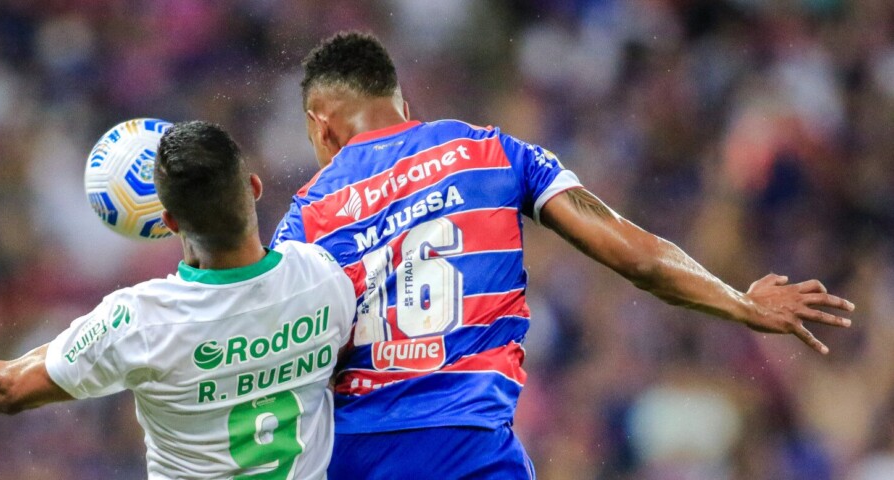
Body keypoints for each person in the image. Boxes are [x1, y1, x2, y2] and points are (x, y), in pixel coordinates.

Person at [271, 32, 857, 479]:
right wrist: (740, 303)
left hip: (355, 457)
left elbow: (262, 335)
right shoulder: (489, 150)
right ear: (401, 102)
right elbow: (635, 255)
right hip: (472, 450)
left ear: (319, 128)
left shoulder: (307, 213)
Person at [0, 121, 357, 479]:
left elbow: (8, 387)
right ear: (256, 187)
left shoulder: (142, 320)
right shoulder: (323, 280)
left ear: (165, 221)